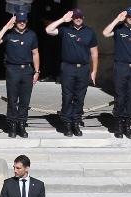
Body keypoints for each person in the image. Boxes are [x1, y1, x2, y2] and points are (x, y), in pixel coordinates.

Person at [46, 9, 98, 137]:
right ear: (72, 18)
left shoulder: (90, 32)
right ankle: (67, 124)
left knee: (80, 97)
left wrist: (94, 71)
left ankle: (76, 122)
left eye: (80, 17)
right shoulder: (65, 30)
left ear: (83, 17)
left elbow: (94, 53)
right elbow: (48, 30)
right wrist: (63, 20)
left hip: (83, 68)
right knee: (67, 96)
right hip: (68, 68)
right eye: (75, 17)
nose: (78, 19)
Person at [0, 14, 40, 138]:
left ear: (27, 21)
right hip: (13, 70)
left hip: (27, 70)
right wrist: (6, 27)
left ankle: (22, 125)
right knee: (12, 100)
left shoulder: (32, 35)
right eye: (19, 21)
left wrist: (37, 71)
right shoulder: (9, 34)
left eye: (24, 21)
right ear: (15, 22)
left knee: (25, 100)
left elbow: (35, 53)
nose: (22, 23)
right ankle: (12, 125)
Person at [103, 7, 131, 139]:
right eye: (129, 16)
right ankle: (118, 125)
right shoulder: (118, 29)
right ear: (125, 16)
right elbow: (105, 33)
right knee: (120, 96)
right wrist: (117, 19)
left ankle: (127, 125)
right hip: (120, 67)